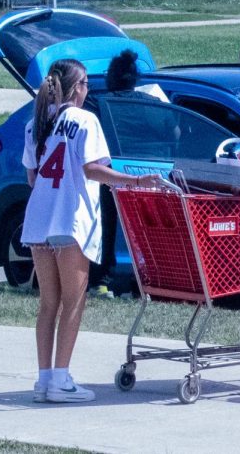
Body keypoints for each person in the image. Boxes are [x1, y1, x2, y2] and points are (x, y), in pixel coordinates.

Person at [22, 59, 164, 403]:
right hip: (70, 221)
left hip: (39, 219)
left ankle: (45, 379)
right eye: (84, 84)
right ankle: (60, 379)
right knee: (73, 301)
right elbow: (93, 170)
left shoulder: (35, 123)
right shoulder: (85, 120)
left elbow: (32, 178)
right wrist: (136, 180)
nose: (87, 90)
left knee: (48, 303)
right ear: (78, 87)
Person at [87, 49, 161, 300]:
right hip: (151, 174)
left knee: (106, 229)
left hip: (111, 174)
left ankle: (100, 282)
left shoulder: (97, 104)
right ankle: (143, 284)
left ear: (111, 78)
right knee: (146, 232)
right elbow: (173, 133)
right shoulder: (151, 103)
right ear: (134, 79)